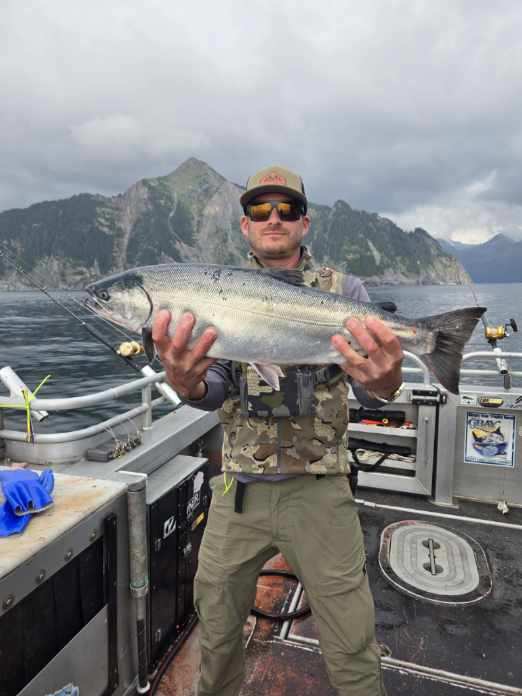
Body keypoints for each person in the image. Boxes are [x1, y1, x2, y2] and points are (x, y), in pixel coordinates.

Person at [152, 166, 404, 696]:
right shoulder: (218, 294)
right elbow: (214, 387)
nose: (273, 218)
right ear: (245, 225)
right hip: (237, 490)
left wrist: (387, 380)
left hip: (321, 490)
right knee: (217, 632)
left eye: (286, 209)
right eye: (260, 209)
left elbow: (371, 391)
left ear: (304, 222)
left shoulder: (345, 291)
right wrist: (185, 383)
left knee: (352, 642)